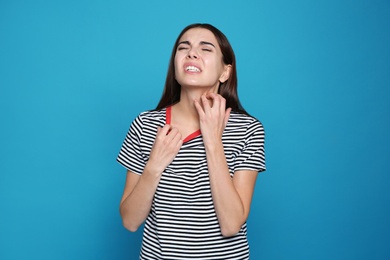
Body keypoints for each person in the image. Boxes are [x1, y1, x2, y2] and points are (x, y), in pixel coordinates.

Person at [117, 23, 266, 260]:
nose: (192, 53)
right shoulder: (145, 125)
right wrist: (155, 164)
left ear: (225, 72)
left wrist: (213, 140)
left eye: (205, 49)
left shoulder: (247, 129)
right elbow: (130, 221)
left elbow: (231, 225)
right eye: (183, 48)